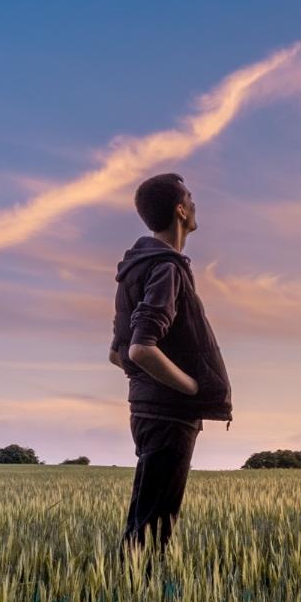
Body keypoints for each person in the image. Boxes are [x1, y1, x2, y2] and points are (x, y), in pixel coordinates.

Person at [109, 172, 233, 555]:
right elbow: (140, 349)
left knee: (145, 520)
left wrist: (148, 387)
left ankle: (128, 591)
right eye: (191, 198)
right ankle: (137, 600)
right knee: (154, 529)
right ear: (180, 210)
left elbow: (117, 352)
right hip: (169, 414)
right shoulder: (166, 267)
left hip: (146, 410)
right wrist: (192, 389)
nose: (195, 204)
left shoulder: (135, 268)